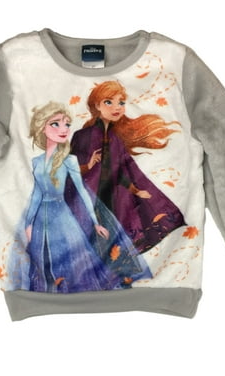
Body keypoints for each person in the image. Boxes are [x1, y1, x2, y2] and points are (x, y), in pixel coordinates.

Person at [8, 101, 150, 293]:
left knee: (73, 258)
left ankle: (75, 293)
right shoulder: (36, 162)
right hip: (41, 218)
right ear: (42, 127)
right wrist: (28, 223)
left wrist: (95, 223)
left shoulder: (70, 160)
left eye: (67, 124)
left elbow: (82, 192)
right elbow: (36, 194)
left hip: (62, 217)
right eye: (56, 124)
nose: (64, 129)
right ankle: (49, 294)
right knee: (42, 258)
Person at [70, 80, 186, 253]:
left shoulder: (115, 138)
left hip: (113, 197)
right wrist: (88, 165)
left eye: (121, 102)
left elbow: (122, 170)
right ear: (97, 105)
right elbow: (70, 172)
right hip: (90, 199)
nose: (116, 107)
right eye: (108, 102)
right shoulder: (83, 136)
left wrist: (137, 191)